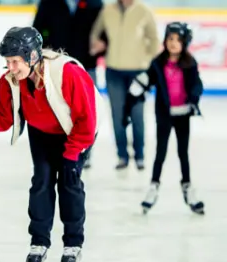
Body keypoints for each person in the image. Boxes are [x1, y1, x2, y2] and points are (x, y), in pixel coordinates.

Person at [0, 26, 104, 262]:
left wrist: (72, 154)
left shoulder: (68, 74)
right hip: (42, 133)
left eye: (15, 61)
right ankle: (39, 241)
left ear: (32, 57)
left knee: (69, 182)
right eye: (7, 62)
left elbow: (87, 119)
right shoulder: (12, 80)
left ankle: (73, 243)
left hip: (75, 133)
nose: (10, 68)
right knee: (42, 182)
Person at [128, 22, 205, 215]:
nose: (173, 43)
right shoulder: (158, 63)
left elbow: (197, 84)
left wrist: (194, 98)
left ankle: (188, 188)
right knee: (160, 153)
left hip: (183, 114)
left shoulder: (190, 63)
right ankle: (153, 187)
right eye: (170, 38)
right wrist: (133, 94)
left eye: (178, 40)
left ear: (185, 42)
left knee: (183, 153)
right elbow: (146, 79)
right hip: (164, 115)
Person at [32, 0, 107, 169]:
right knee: (55, 108)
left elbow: (105, 32)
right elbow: (38, 30)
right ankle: (58, 150)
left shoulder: (95, 4)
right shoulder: (48, 3)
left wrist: (101, 48)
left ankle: (83, 151)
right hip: (54, 66)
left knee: (86, 111)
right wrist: (44, 54)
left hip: (86, 67)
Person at [90, 0, 159, 170]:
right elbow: (95, 33)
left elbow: (155, 40)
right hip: (114, 71)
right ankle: (122, 155)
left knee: (137, 114)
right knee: (117, 115)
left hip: (138, 72)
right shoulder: (108, 10)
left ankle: (140, 155)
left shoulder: (144, 11)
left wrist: (147, 62)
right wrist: (98, 44)